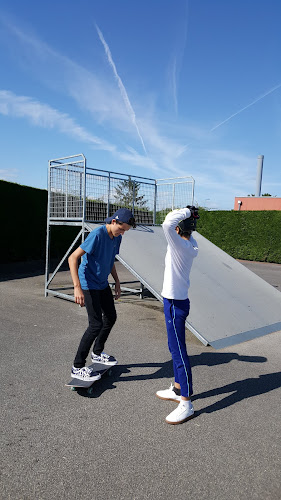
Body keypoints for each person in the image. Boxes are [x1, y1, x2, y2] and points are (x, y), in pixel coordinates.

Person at [68, 208, 136, 381]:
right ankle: (77, 366)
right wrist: (77, 287)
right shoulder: (97, 234)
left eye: (125, 231)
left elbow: (110, 260)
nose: (123, 233)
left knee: (111, 317)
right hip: (88, 284)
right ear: (114, 222)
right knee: (95, 324)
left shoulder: (117, 238)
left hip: (102, 283)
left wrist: (117, 282)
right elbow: (73, 258)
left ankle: (97, 352)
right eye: (122, 229)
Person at [156, 206, 199, 424]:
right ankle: (177, 388)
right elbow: (172, 225)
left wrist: (185, 210)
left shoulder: (178, 244)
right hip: (175, 301)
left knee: (179, 352)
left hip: (174, 304)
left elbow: (166, 223)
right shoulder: (191, 244)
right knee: (174, 348)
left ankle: (186, 402)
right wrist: (189, 216)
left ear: (179, 228)